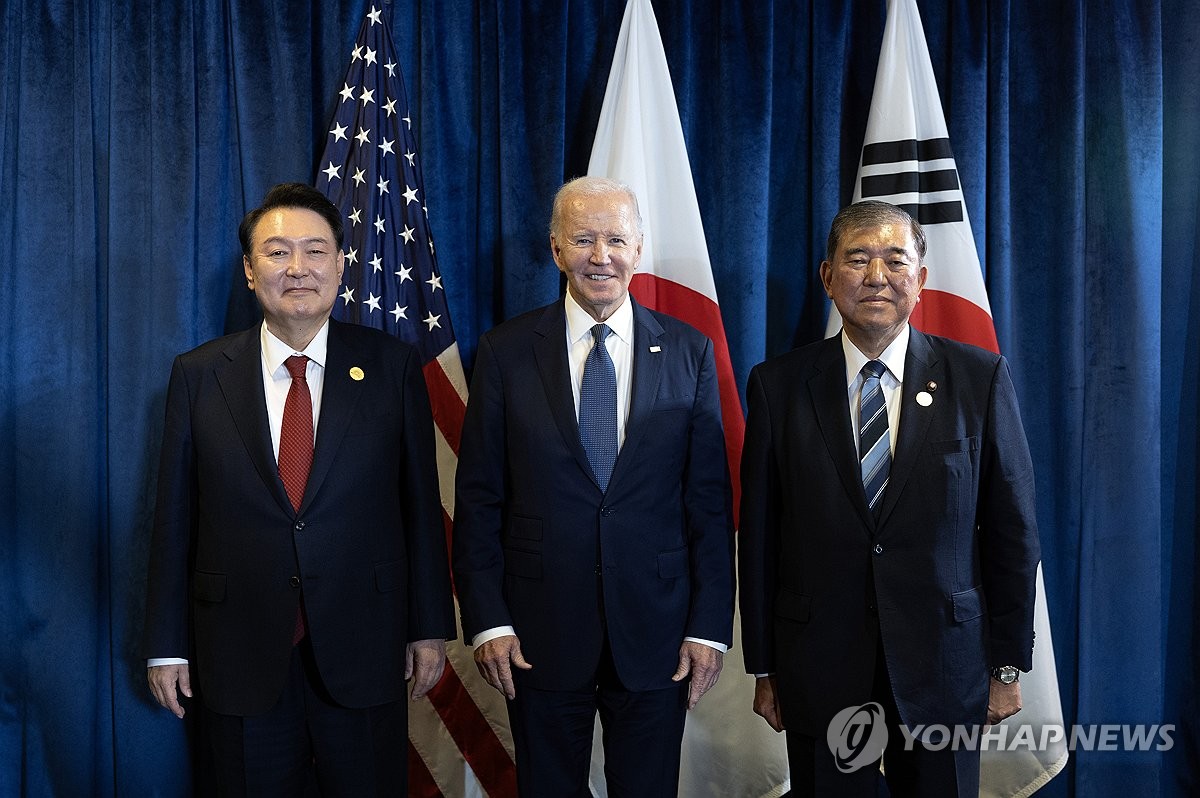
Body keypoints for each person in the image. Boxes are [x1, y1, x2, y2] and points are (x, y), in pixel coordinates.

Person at [142, 182, 455, 794]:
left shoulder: (392, 367)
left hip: (365, 645)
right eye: (278, 252)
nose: (298, 269)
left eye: (315, 251)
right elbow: (174, 518)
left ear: (341, 264)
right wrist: (164, 645)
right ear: (250, 270)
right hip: (237, 652)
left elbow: (420, 508)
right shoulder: (199, 375)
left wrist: (428, 626)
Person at [739, 200, 1041, 796]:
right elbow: (762, 533)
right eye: (857, 259)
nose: (876, 276)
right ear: (828, 277)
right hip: (819, 662)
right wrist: (766, 666)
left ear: (921, 280)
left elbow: (1013, 530)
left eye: (894, 260)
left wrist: (1006, 665)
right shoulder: (777, 385)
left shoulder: (978, 378)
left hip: (945, 663)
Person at [452, 176, 735, 796]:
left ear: (638, 249)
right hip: (537, 631)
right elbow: (478, 500)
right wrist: (489, 621)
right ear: (556, 251)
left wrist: (709, 626)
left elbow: (708, 505)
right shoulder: (504, 352)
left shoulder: (688, 351)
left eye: (615, 240)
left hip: (658, 632)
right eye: (583, 239)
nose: (600, 256)